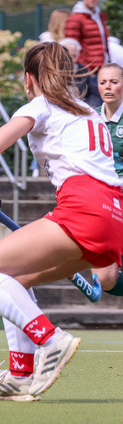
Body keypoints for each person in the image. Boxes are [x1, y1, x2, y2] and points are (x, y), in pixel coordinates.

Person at [0, 42, 123, 401]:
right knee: (14, 281)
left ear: (28, 78)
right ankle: (19, 375)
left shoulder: (41, 105)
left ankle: (51, 340)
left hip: (84, 207)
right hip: (114, 216)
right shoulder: (90, 111)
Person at [89, 63, 123, 295]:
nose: (108, 87)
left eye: (114, 82)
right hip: (102, 199)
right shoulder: (89, 118)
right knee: (104, 279)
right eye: (103, 82)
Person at [64, 0, 110, 107]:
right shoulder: (76, 18)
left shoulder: (99, 15)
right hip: (89, 74)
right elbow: (71, 49)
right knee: (92, 108)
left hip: (102, 70)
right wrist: (84, 71)